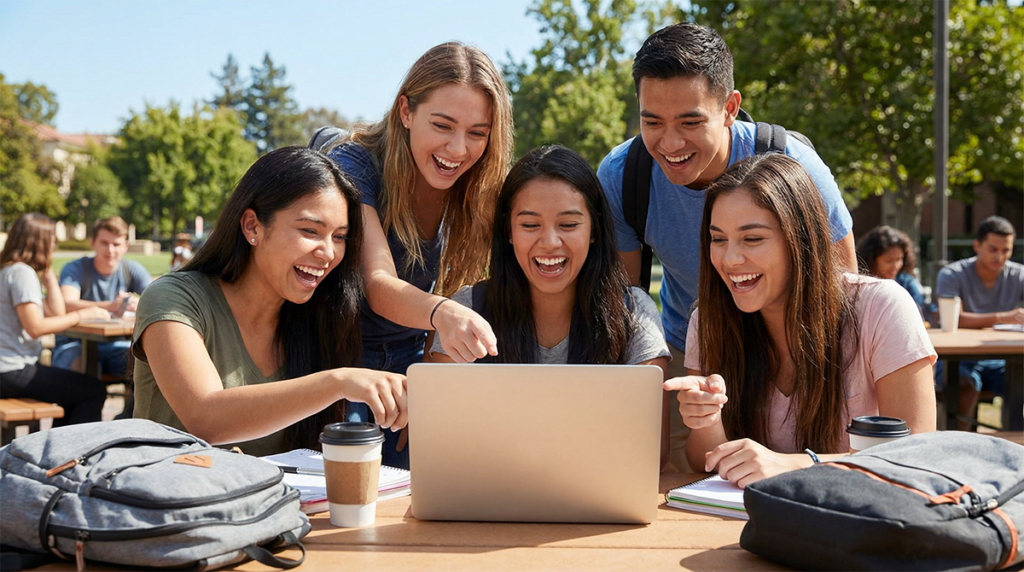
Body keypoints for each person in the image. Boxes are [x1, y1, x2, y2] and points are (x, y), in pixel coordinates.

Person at [596, 23, 855, 472]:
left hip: (796, 350)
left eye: (691, 122)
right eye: (651, 121)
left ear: (730, 108)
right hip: (692, 350)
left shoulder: (794, 166)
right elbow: (623, 301)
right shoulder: (623, 175)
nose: (670, 143)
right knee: (690, 481)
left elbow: (843, 289)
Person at [664, 154, 936, 487]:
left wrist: (797, 466)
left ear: (801, 240)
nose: (730, 259)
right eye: (718, 239)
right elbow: (703, 464)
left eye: (752, 239)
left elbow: (917, 457)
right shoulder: (708, 321)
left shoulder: (882, 307)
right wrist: (707, 421)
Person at [131, 147, 407, 456]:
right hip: (168, 498)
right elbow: (205, 418)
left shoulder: (320, 317)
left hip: (274, 501)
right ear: (252, 227)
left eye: (339, 236)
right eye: (310, 230)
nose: (329, 253)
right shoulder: (174, 298)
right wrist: (337, 383)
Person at [327, 41, 514, 468]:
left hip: (414, 366)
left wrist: (428, 379)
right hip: (341, 360)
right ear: (406, 112)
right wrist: (445, 313)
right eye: (443, 125)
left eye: (477, 133)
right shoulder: (354, 165)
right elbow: (377, 284)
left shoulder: (477, 187)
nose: (458, 149)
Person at [427, 145, 670, 371]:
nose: (550, 242)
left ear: (594, 229)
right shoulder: (467, 311)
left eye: (568, 224)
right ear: (508, 231)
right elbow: (442, 415)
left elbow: (651, 417)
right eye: (530, 224)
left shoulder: (635, 313)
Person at [0, 213, 111, 425]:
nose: (54, 245)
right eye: (52, 240)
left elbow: (57, 314)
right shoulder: (22, 273)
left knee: (75, 391)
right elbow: (35, 327)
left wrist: (50, 280)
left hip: (7, 370)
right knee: (92, 390)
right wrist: (81, 315)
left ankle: (58, 453)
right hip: (10, 370)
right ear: (40, 242)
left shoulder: (7, 270)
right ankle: (71, 455)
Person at [935, 216, 1024, 423]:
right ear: (977, 245)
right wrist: (1003, 317)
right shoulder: (952, 274)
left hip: (1003, 359)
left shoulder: (1018, 275)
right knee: (963, 388)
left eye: (1006, 250)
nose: (1000, 256)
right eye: (993, 249)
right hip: (959, 358)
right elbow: (951, 319)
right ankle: (959, 449)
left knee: (1019, 383)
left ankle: (1014, 444)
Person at [51, 216, 151, 378]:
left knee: (147, 364)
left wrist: (138, 304)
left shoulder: (131, 269)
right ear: (92, 243)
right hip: (75, 343)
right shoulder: (76, 268)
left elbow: (159, 300)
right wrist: (111, 306)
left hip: (116, 345)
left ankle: (130, 404)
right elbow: (66, 304)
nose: (110, 250)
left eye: (116, 244)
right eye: (104, 243)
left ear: (126, 246)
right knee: (82, 373)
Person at [856, 225, 926, 317]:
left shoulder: (906, 282)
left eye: (899, 259)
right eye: (889, 260)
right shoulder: (859, 286)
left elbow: (919, 310)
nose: (896, 266)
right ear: (871, 260)